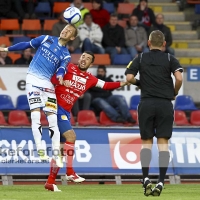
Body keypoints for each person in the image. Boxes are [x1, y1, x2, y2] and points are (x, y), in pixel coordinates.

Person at [45, 51, 129, 191]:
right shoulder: (68, 67)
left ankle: (50, 181)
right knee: (71, 136)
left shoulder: (90, 78)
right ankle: (70, 172)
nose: (84, 59)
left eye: (88, 58)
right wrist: (59, 79)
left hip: (65, 111)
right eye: (83, 56)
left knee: (59, 150)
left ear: (91, 64)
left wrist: (123, 82)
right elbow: (51, 77)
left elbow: (106, 85)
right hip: (55, 106)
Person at [0, 24, 78, 168]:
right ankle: (40, 149)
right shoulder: (46, 38)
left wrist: (60, 76)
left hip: (47, 84)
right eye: (65, 28)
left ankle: (56, 154)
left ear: (72, 37)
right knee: (36, 115)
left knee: (52, 118)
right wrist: (6, 49)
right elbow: (26, 45)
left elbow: (62, 68)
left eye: (69, 31)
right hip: (32, 80)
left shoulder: (66, 54)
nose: (65, 31)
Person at [125, 30, 183, 196]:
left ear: (148, 43)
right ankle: (161, 181)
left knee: (146, 142)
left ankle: (145, 178)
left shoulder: (141, 57)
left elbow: (129, 78)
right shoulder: (170, 58)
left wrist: (141, 83)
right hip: (165, 103)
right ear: (164, 44)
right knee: (163, 143)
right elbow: (179, 78)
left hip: (147, 103)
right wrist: (175, 92)